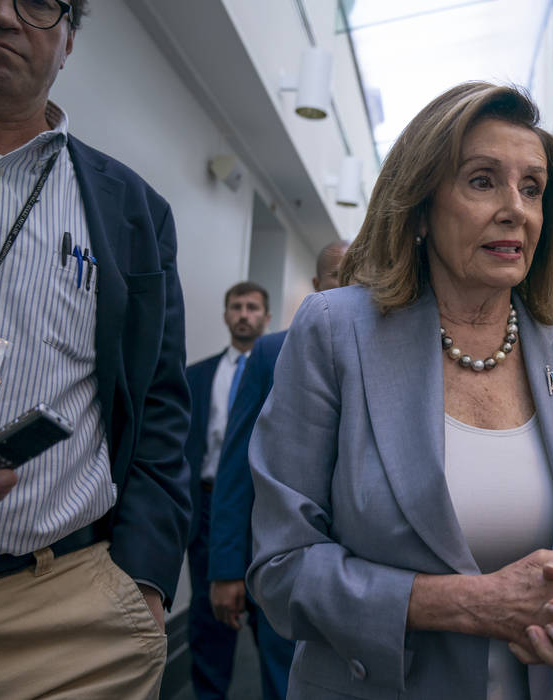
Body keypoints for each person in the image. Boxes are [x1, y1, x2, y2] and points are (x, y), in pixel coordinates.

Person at [247, 82, 553, 699]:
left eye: (532, 188)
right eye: (482, 181)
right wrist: (470, 604)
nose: (516, 209)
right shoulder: (335, 332)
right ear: (420, 208)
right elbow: (282, 569)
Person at [0, 0, 192, 697]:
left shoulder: (133, 209)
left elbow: (159, 399)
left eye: (37, 2)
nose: (2, 14)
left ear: (68, 41)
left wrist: (145, 581)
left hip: (64, 615)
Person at [208, 240, 348, 700]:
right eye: (336, 275)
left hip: (368, 571)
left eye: (362, 273)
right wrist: (227, 568)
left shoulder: (399, 352)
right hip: (289, 561)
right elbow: (235, 468)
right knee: (283, 682)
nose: (349, 284)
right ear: (316, 286)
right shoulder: (271, 353)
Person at [185, 281, 270, 699]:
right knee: (208, 619)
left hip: (264, 508)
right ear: (225, 316)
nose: (244, 314)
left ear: (266, 318)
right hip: (206, 507)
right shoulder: (197, 376)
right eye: (236, 307)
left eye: (252, 307)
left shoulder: (283, 369)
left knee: (271, 624)